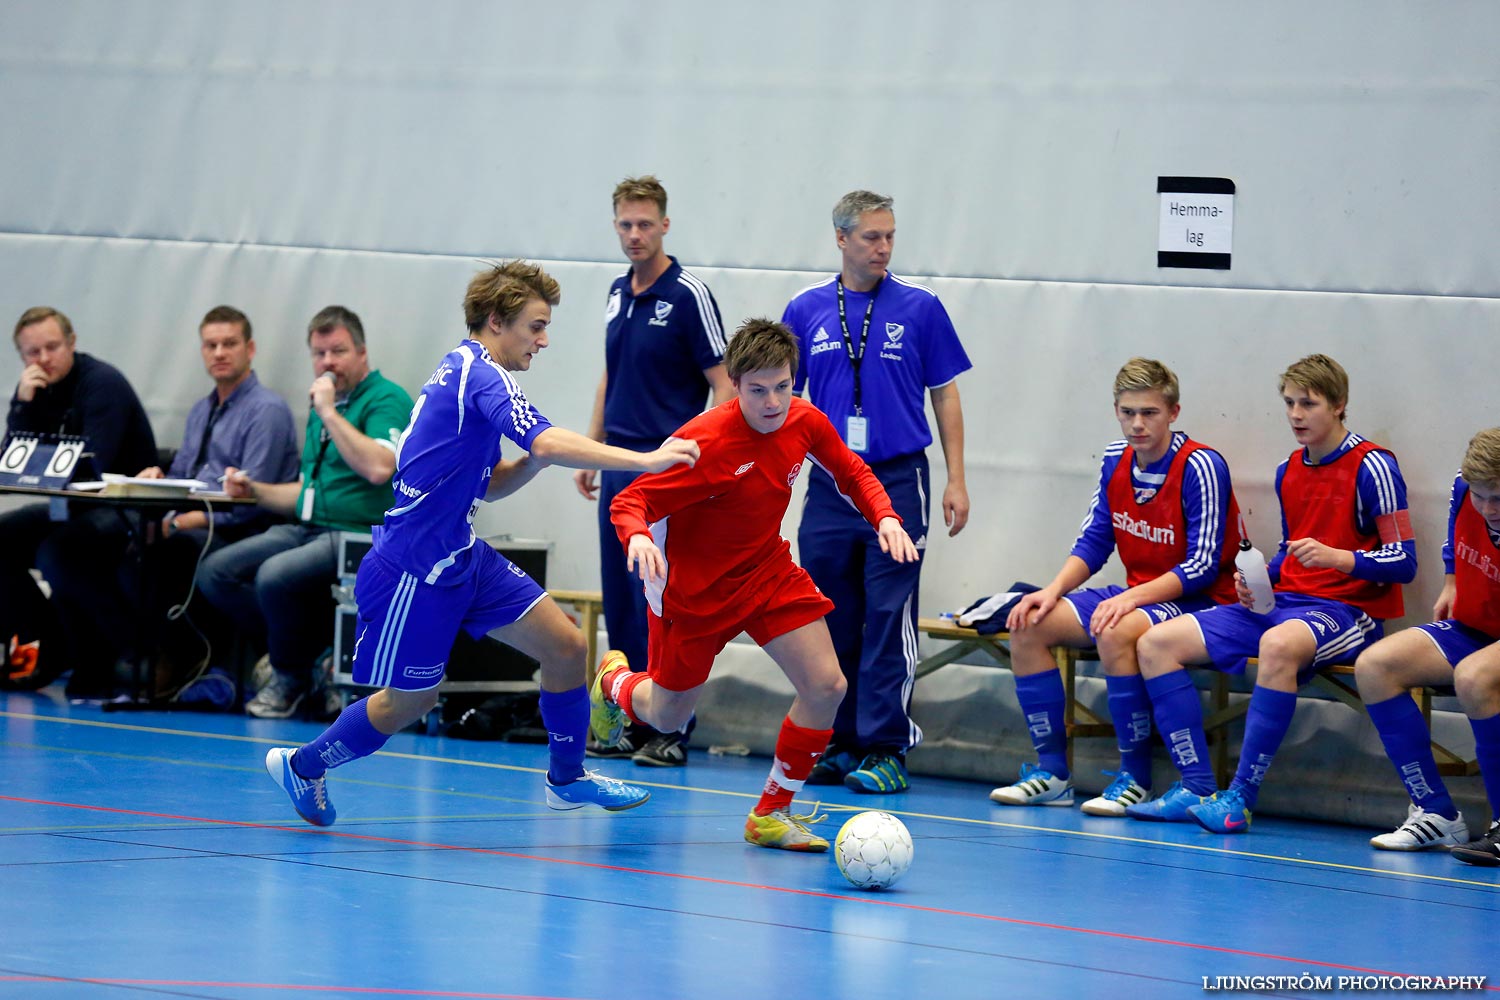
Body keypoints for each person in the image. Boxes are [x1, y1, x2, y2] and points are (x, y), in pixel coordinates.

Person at [264, 260, 698, 825]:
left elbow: (490, 485)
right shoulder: (480, 376)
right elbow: (546, 435)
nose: (544, 340)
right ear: (497, 321)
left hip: (461, 554)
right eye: (535, 326)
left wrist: (532, 464)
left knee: (566, 647)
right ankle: (305, 764)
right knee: (411, 702)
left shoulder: (468, 375)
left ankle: (566, 780)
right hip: (414, 567)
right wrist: (645, 458)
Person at [592, 317, 919, 851]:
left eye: (783, 387)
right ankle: (615, 681)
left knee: (827, 686)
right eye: (757, 390)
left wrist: (884, 516)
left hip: (766, 573)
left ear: (795, 380)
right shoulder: (701, 442)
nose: (772, 402)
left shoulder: (803, 420)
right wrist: (638, 539)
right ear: (735, 385)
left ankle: (772, 812)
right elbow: (632, 500)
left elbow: (851, 472)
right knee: (667, 717)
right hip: (692, 594)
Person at [1130, 354, 1416, 833]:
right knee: (1155, 642)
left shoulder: (1375, 466)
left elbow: (1404, 560)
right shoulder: (1288, 470)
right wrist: (1259, 578)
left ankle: (1239, 798)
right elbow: (1293, 549)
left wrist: (1340, 558)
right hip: (1286, 605)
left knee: (1278, 646)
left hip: (1349, 611)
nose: (1297, 415)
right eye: (1289, 403)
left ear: (1340, 405)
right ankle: (1196, 784)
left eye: (1309, 403)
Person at [988, 359, 1241, 816]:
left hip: (1200, 603)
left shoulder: (1201, 465)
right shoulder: (1114, 459)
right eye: (1128, 412)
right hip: (1137, 593)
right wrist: (1052, 590)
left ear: (1173, 412)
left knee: (1116, 628)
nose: (1137, 424)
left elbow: (1203, 567)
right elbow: (1095, 537)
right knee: (1028, 622)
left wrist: (1128, 599)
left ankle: (1136, 779)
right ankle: (1054, 774)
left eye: (1149, 412)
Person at [780, 190, 970, 794]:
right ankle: (838, 740)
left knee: (890, 616)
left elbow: (945, 392)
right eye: (871, 237)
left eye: (890, 235)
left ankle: (886, 747)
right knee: (830, 614)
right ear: (840, 239)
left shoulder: (920, 307)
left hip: (897, 479)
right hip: (831, 484)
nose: (884, 247)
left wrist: (958, 478)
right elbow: (779, 398)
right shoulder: (806, 309)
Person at [573, 174, 733, 767]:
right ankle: (629, 720)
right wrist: (592, 447)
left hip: (666, 472)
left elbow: (724, 385)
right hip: (619, 465)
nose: (635, 234)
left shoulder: (689, 294)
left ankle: (673, 728)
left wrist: (694, 461)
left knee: (665, 604)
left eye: (645, 224)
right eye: (625, 224)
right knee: (621, 601)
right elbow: (610, 373)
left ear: (665, 224)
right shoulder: (618, 292)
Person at [200, 305, 413, 717]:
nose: (328, 363)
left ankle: (290, 678)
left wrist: (330, 413)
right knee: (216, 572)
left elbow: (379, 467)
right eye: (319, 353)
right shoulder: (324, 405)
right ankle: (311, 654)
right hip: (310, 526)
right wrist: (254, 490)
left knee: (275, 575)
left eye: (338, 351)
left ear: (362, 352)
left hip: (360, 534)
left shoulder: (385, 399)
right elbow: (306, 492)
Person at [137, 306, 299, 702]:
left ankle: (185, 659)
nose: (219, 352)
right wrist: (159, 482)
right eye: (211, 345)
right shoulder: (200, 409)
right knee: (129, 542)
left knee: (173, 548)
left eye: (229, 343)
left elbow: (251, 501)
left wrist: (184, 521)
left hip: (243, 529)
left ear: (250, 348)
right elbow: (184, 475)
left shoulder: (267, 410)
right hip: (194, 520)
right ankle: (145, 656)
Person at [1356, 428, 1500, 863]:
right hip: (1475, 626)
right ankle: (1436, 811)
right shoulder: (1464, 487)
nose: (1489, 509)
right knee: (1375, 666)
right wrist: (1453, 580)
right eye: (1482, 497)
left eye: (1499, 498)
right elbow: (1457, 522)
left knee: (1473, 677)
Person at [0, 306, 158, 698]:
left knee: (60, 551)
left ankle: (108, 656)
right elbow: (14, 463)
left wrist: (42, 460)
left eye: (51, 347)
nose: (43, 360)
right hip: (69, 508)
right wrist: (22, 405)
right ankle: (45, 644)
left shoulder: (102, 383)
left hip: (124, 508)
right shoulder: (36, 391)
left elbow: (92, 463)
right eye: (31, 353)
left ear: (71, 343)